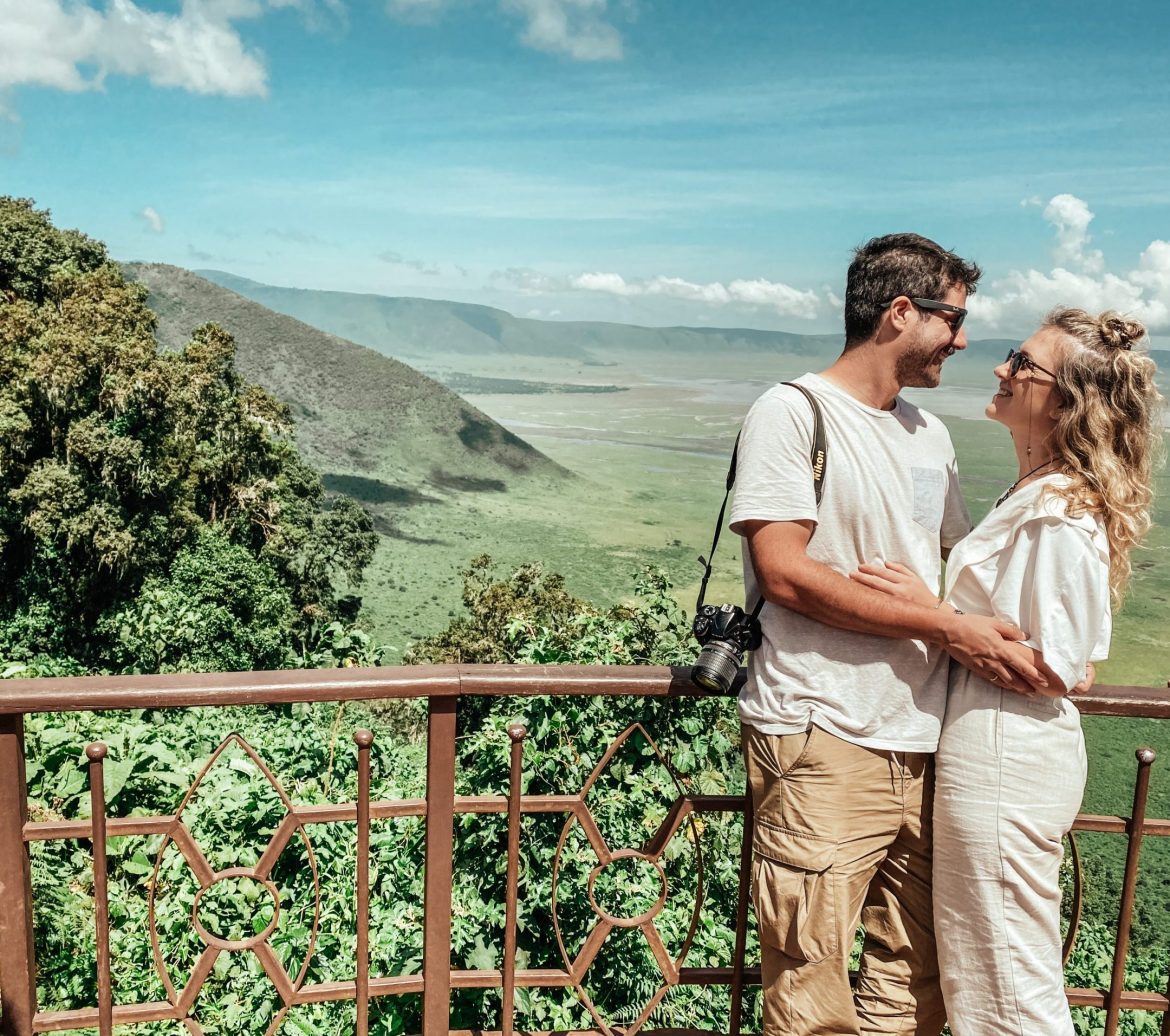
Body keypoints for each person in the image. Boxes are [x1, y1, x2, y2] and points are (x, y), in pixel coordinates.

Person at [731, 233, 1051, 1036]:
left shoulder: (928, 434)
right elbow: (786, 572)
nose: (966, 339)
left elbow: (944, 571)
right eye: (954, 317)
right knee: (810, 982)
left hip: (926, 737)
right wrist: (950, 628)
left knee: (915, 977)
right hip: (821, 732)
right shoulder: (790, 413)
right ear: (900, 312)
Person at [849, 309, 1164, 1035]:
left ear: (1063, 400)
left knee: (1006, 981)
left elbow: (1056, 668)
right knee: (991, 969)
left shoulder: (1056, 513)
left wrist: (929, 613)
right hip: (997, 748)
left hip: (1003, 756)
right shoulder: (1041, 494)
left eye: (1022, 363)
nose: (1000, 368)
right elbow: (1079, 660)